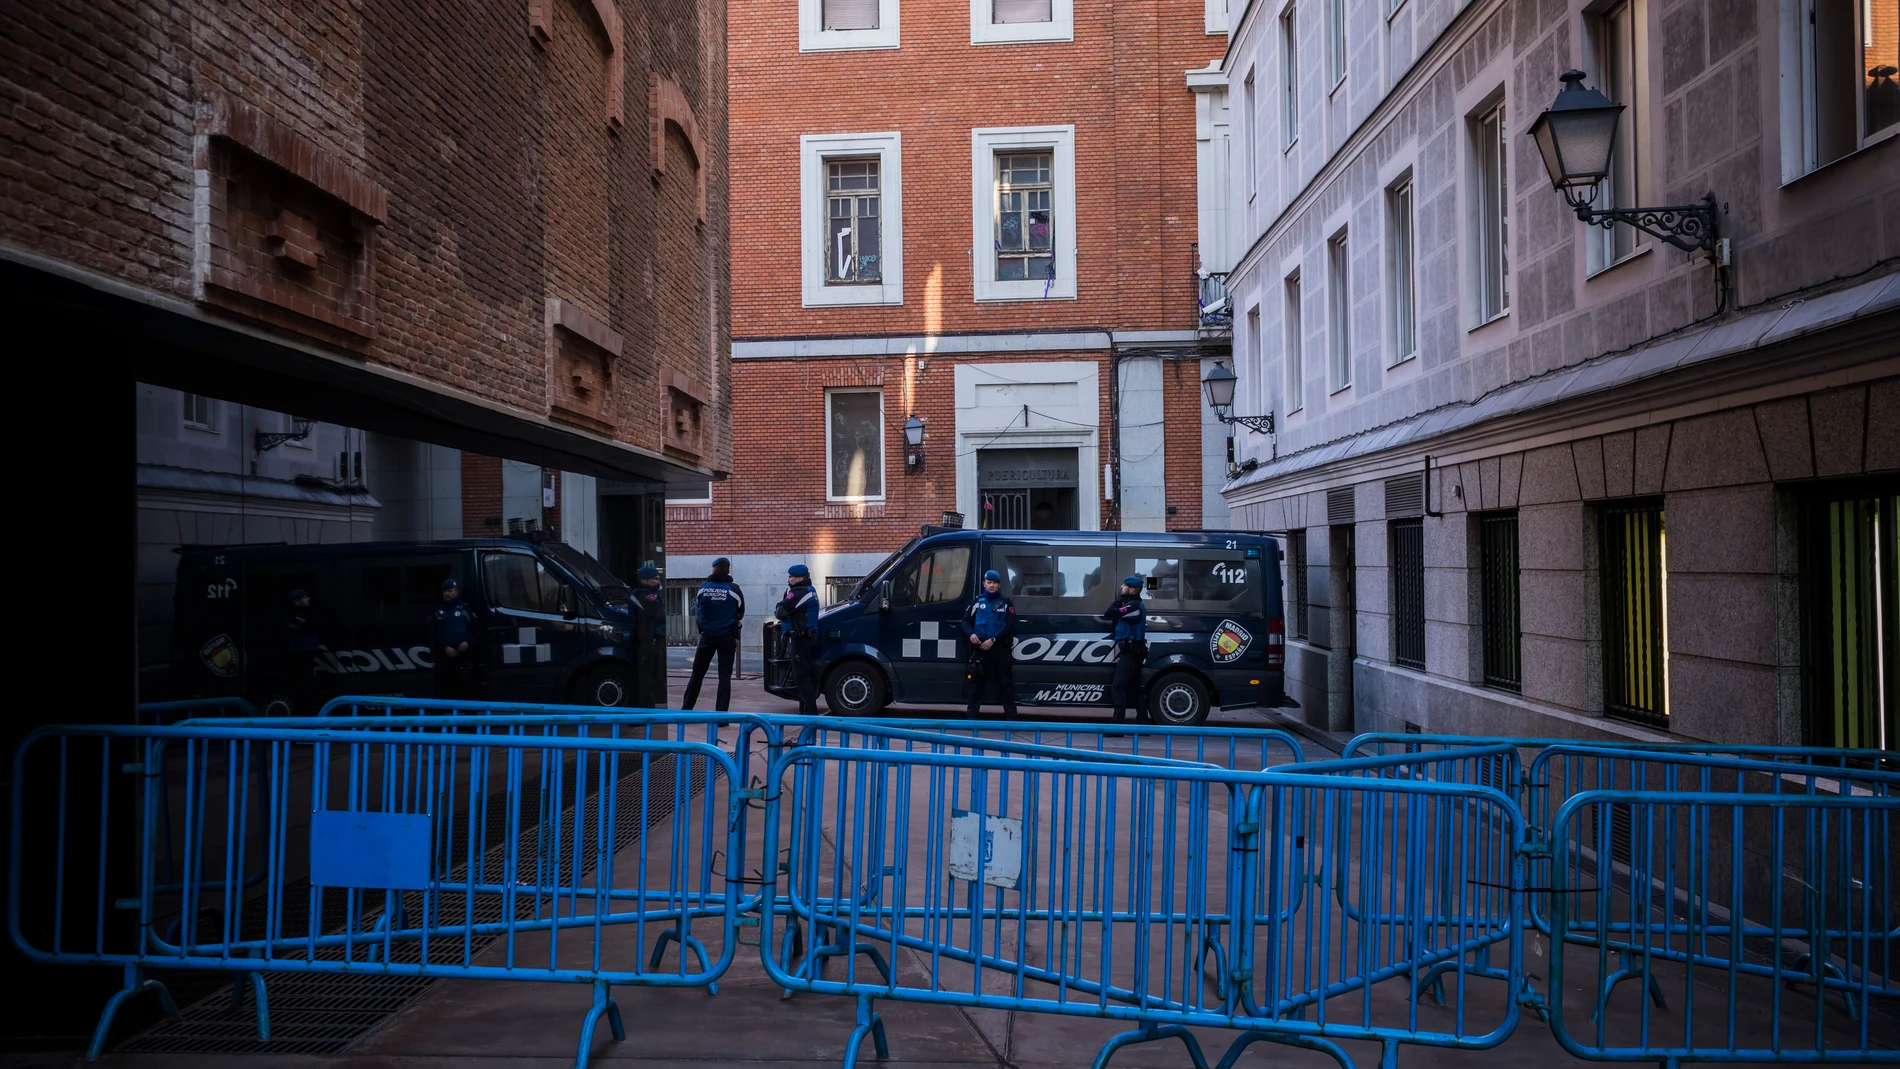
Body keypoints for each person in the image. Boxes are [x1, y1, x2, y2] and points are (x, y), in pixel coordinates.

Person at [682, 557, 744, 712]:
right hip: (727, 637)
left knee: (697, 674)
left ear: (713, 569)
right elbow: (740, 611)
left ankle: (686, 710)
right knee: (724, 677)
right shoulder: (734, 589)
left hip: (707, 636)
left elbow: (699, 608)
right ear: (728, 570)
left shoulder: (703, 589)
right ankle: (721, 715)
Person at [964, 569, 1018, 719]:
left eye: (994, 583)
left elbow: (1010, 625)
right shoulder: (977, 601)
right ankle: (971, 719)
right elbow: (965, 621)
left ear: (999, 585)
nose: (992, 585)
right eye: (989, 582)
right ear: (984, 583)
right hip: (980, 649)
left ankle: (1012, 720)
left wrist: (993, 640)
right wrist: (971, 634)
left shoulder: (1006, 602)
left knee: (1006, 684)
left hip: (999, 648)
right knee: (975, 685)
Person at [1101, 575, 1149, 723]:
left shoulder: (1133, 607)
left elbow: (1109, 612)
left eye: (1125, 586)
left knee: (1118, 687)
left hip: (1131, 652)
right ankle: (1142, 723)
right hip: (1134, 651)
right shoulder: (1133, 605)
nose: (1122, 587)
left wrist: (1120, 600)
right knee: (1134, 689)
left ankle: (1117, 726)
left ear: (1132, 589)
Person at [775, 564, 821, 715]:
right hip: (807, 637)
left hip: (801, 638)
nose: (788, 579)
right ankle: (806, 710)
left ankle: (809, 713)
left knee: (801, 677)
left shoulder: (799, 592)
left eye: (791, 577)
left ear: (800, 578)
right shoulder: (809, 590)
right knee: (805, 674)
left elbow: (780, 611)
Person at [433, 577, 479, 701]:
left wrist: (467, 642)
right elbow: (432, 633)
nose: (447, 594)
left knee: (465, 686)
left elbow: (475, 629)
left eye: (450, 590)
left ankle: (468, 716)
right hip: (444, 655)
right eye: (445, 591)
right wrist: (444, 647)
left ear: (456, 592)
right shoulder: (437, 610)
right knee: (443, 687)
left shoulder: (464, 609)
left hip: (463, 655)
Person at [631, 565, 668, 708]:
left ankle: (649, 704)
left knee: (653, 675)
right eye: (655, 579)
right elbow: (659, 614)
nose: (658, 582)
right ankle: (644, 707)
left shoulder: (645, 594)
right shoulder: (645, 596)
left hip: (651, 640)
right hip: (648, 640)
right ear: (644, 580)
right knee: (646, 676)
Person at [283, 588, 319, 714]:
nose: (308, 599)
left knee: (309, 687)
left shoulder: (309, 613)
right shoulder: (291, 615)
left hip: (307, 654)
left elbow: (312, 624)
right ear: (297, 601)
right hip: (298, 655)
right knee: (302, 688)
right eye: (304, 597)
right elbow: (296, 625)